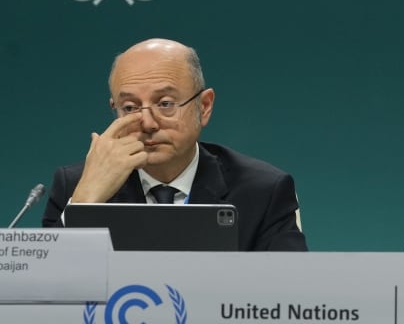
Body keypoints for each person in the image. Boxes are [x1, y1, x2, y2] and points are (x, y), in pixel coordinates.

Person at [42, 38, 307, 251]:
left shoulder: (262, 192)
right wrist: (85, 203)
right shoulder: (74, 185)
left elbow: (291, 293)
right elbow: (41, 290)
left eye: (165, 104)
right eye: (130, 107)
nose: (147, 123)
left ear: (204, 107)